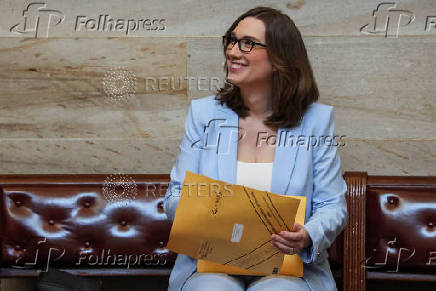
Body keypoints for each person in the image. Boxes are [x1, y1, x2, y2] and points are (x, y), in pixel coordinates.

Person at [164, 6, 348, 291]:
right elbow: (175, 196)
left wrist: (307, 234)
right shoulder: (203, 115)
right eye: (232, 40)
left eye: (248, 43)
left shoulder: (316, 121)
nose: (233, 51)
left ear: (279, 59)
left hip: (289, 269)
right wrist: (203, 214)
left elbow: (332, 206)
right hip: (211, 265)